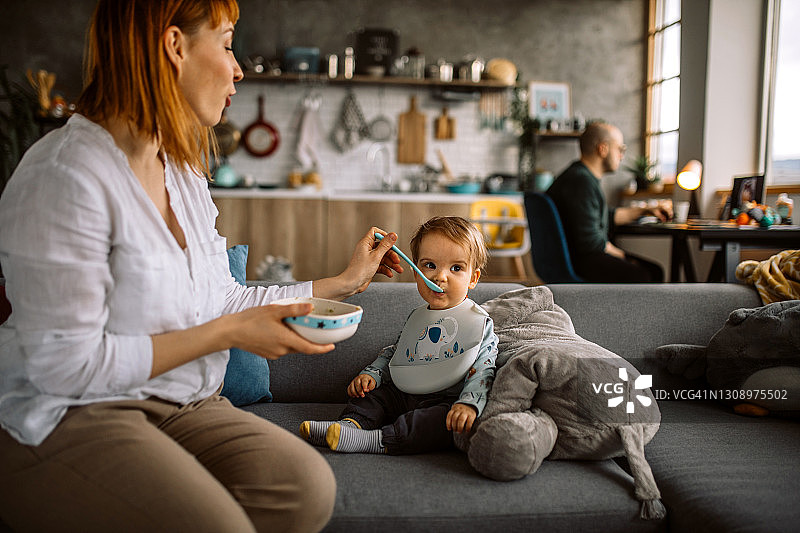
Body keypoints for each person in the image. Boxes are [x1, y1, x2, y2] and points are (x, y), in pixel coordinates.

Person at [0, 1, 403, 532]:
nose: (238, 68)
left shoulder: (182, 172)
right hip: (71, 413)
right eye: (229, 42)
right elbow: (65, 366)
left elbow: (224, 298)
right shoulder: (65, 176)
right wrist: (227, 334)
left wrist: (342, 283)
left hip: (183, 402)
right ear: (175, 47)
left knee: (303, 488)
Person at [300, 217, 498, 455]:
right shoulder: (417, 317)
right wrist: (372, 374)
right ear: (416, 273)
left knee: (442, 421)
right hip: (404, 393)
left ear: (473, 279)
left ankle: (375, 441)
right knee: (374, 395)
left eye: (456, 268)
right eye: (429, 265)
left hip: (444, 399)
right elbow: (397, 352)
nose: (439, 277)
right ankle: (348, 426)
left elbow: (485, 368)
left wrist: (469, 403)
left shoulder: (479, 322)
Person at [546, 121, 668, 283]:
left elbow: (604, 216)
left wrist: (645, 210)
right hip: (581, 262)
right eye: (620, 149)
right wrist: (624, 256)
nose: (621, 155)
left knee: (651, 270)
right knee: (649, 273)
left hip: (575, 258)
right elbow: (591, 242)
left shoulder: (579, 176)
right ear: (602, 149)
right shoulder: (581, 182)